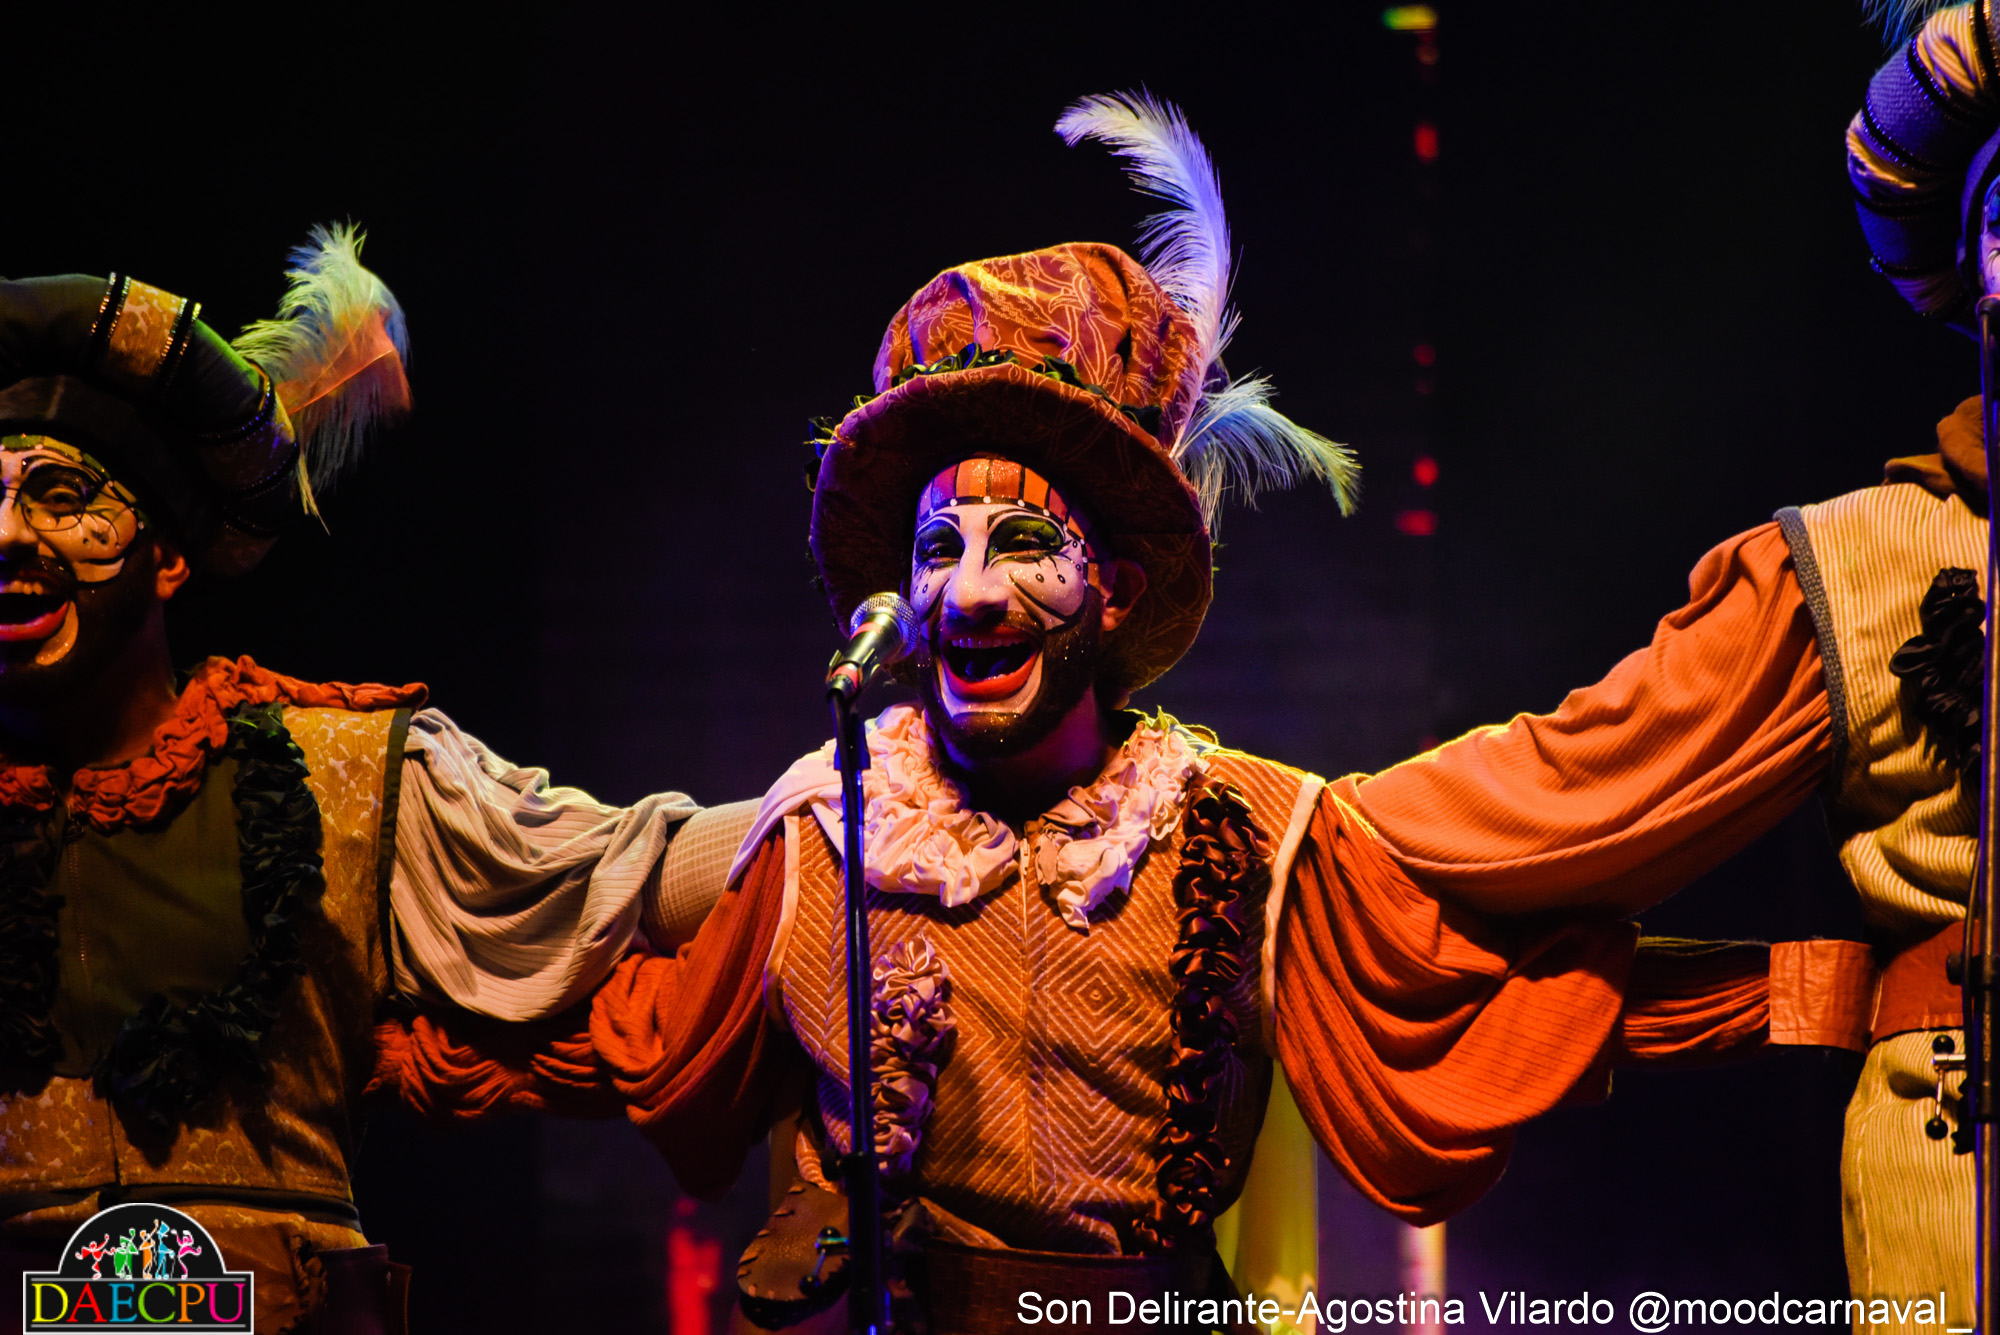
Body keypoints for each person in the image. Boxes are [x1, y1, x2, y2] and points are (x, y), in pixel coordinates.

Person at [370, 94, 1836, 1334]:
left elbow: (1509, 985)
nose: (968, 592)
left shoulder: (1245, 836)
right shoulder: (825, 838)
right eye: (936, 550)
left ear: (1114, 588)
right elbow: (624, 1032)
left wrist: (1811, 992)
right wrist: (364, 1041)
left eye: (1023, 544)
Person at [1344, 3, 2000, 1326]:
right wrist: (1282, 826)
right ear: (1979, 265)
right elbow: (1574, 786)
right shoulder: (1869, 562)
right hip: (1968, 1175)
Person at [0, 227, 752, 1331]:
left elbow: (625, 873)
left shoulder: (334, 773)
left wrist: (864, 803)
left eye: (62, 495)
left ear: (167, 554)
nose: (7, 538)